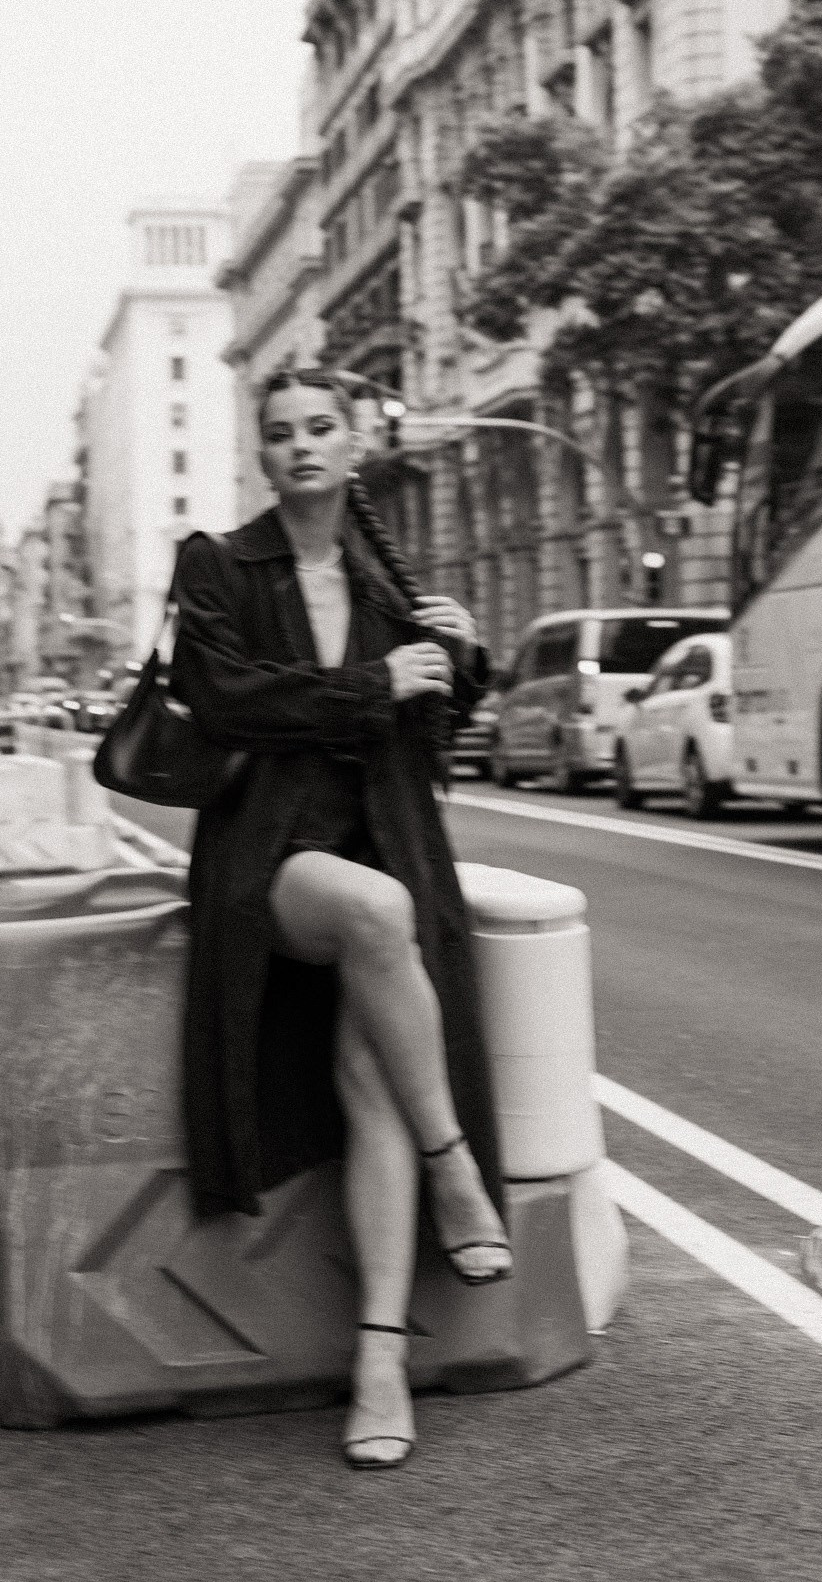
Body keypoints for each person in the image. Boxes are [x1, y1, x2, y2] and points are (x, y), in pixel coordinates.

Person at [170, 367, 510, 1471]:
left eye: (322, 427)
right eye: (281, 433)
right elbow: (221, 697)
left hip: (386, 841)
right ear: (261, 455)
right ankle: (454, 1165)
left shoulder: (386, 578)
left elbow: (428, 737)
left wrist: (462, 661)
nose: (302, 445)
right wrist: (373, 681)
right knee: (374, 910)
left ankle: (377, 1365)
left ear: (356, 444)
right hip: (271, 858)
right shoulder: (219, 563)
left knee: (372, 1080)